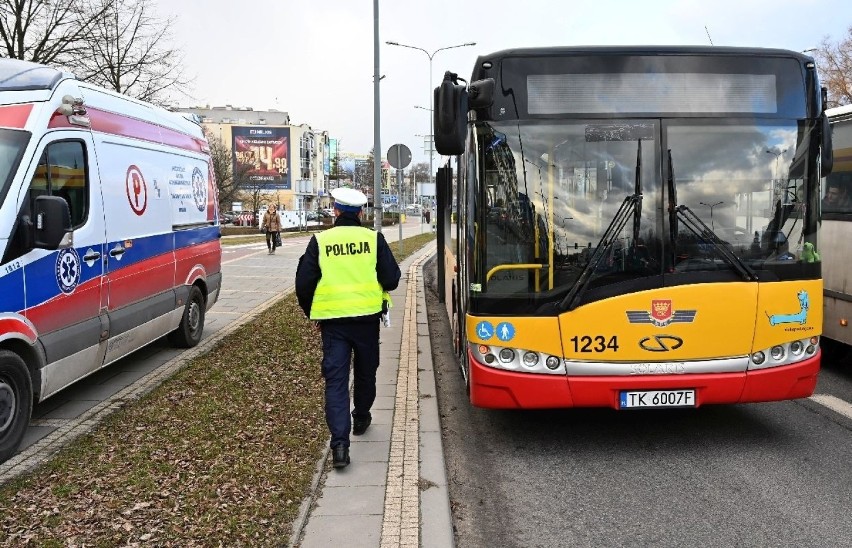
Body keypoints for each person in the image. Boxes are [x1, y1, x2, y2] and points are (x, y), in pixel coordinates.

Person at [295, 187, 401, 469]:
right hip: (366, 321)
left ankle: (340, 446)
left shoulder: (320, 241)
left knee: (336, 381)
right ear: (361, 213)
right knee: (367, 372)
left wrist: (313, 314)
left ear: (336, 211)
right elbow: (391, 280)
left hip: (334, 324)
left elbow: (303, 284)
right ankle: (362, 416)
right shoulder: (373, 239)